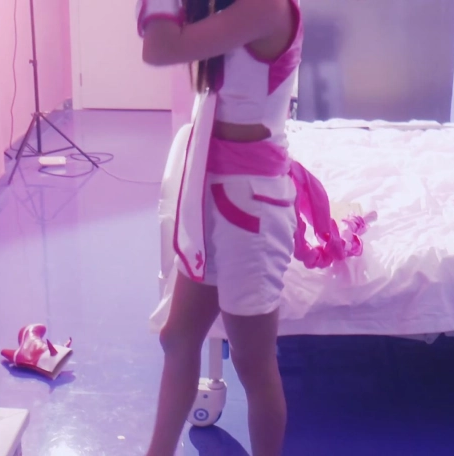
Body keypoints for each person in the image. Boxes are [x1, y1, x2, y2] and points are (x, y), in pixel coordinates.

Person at [137, 0, 303, 455]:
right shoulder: (232, 7)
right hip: (214, 191)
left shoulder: (266, 7)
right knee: (178, 338)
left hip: (250, 209)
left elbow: (160, 47)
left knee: (253, 364)